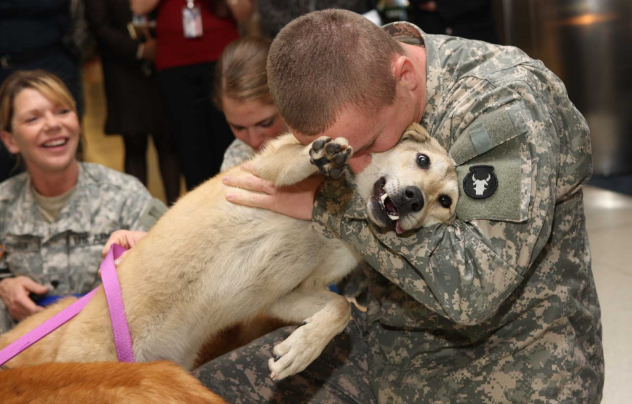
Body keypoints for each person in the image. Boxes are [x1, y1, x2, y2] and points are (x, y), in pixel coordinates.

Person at [197, 9, 603, 403]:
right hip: (387, 351)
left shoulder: (503, 105)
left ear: (405, 77)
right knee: (179, 393)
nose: (356, 166)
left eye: (368, 146)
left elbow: (475, 289)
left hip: (514, 371)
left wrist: (327, 205)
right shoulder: (353, 90)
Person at [0, 70, 167, 334]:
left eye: (63, 111)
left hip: (113, 357)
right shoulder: (3, 205)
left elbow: (175, 268)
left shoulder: (125, 195)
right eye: (33, 118)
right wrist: (5, 286)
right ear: (10, 140)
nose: (53, 124)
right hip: (26, 363)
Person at [130, 0, 253, 190]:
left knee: (230, 140)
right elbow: (138, 6)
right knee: (190, 148)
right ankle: (200, 210)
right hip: (174, 63)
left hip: (222, 59)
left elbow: (244, 12)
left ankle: (236, 199)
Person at [85, 0, 181, 206]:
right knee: (134, 144)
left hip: (164, 62)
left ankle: (175, 212)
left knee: (169, 143)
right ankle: (137, 212)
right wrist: (139, 50)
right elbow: (98, 26)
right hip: (123, 69)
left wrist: (161, 44)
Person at [214, 36, 289, 172]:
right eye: (238, 128)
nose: (253, 141)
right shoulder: (237, 161)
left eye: (265, 124)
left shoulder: (327, 143)